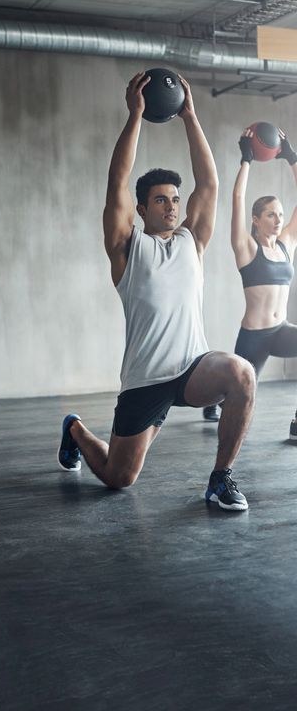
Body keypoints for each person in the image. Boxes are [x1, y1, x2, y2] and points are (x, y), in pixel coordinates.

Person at [57, 72, 256, 510]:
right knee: (117, 478)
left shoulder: (192, 242)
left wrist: (190, 116)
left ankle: (220, 479)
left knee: (242, 373)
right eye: (161, 200)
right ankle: (74, 429)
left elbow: (210, 186)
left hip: (191, 368)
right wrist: (136, 117)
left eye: (175, 199)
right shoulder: (127, 251)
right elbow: (117, 184)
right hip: (145, 380)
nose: (172, 206)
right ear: (143, 207)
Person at [203, 129, 297, 434]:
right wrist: (247, 160)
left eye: (281, 214)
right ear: (256, 219)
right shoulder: (246, 248)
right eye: (271, 215)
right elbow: (238, 197)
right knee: (236, 396)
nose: (279, 220)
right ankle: (211, 397)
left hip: (280, 330)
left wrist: (291, 158)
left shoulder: (286, 246)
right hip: (254, 337)